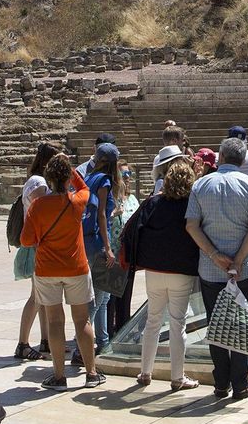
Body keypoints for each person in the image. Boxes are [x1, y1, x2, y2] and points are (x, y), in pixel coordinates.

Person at [187, 136, 248, 399]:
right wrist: (238, 260)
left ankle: (221, 383)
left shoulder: (201, 185)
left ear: (221, 158)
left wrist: (214, 255)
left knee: (216, 325)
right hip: (244, 270)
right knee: (243, 324)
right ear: (243, 160)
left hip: (211, 272)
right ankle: (241, 383)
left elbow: (191, 225)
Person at [22, 150, 104, 390]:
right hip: (76, 267)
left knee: (55, 322)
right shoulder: (77, 201)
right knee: (82, 320)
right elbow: (84, 187)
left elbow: (26, 240)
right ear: (67, 178)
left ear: (48, 180)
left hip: (47, 270)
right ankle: (91, 373)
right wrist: (69, 168)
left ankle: (59, 377)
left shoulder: (37, 205)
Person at [132, 157, 202, 390]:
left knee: (153, 320)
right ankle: (177, 377)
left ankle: (145, 372)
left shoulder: (154, 203)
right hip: (181, 270)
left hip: (154, 269)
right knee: (177, 323)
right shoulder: (192, 204)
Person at [15, 143, 58, 361]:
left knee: (42, 296)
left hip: (41, 244)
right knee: (36, 296)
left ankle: (46, 341)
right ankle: (22, 343)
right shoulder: (37, 182)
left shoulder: (40, 181)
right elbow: (44, 208)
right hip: (35, 245)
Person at [81, 142, 120, 357]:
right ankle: (82, 346)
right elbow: (102, 215)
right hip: (97, 242)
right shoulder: (103, 180)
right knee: (97, 297)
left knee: (104, 297)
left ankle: (103, 342)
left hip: (88, 240)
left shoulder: (88, 177)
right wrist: (108, 247)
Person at [106, 157, 140, 335]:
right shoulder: (109, 198)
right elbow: (101, 223)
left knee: (125, 298)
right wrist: (112, 214)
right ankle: (108, 335)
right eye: (124, 173)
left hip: (128, 255)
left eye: (130, 173)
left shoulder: (133, 199)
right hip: (113, 255)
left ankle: (123, 332)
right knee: (110, 299)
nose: (128, 177)